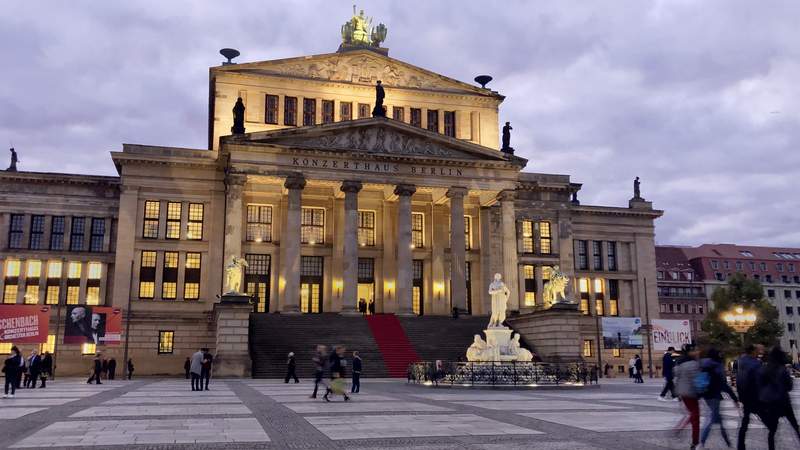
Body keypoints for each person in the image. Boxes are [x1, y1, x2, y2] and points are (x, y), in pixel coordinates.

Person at [758, 346, 800, 450]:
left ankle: (771, 448)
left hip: (771, 403)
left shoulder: (764, 368)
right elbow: (789, 386)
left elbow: (760, 384)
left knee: (772, 430)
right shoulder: (782, 369)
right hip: (783, 401)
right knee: (794, 425)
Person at [699, 347, 739, 448]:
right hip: (715, 396)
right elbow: (723, 384)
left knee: (718, 419)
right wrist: (734, 398)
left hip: (706, 395)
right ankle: (701, 443)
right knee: (712, 420)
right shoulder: (717, 366)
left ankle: (728, 443)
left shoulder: (704, 364)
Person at [736, 344, 764, 450]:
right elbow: (760, 381)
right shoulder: (755, 363)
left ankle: (740, 445)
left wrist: (740, 396)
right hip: (755, 396)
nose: (758, 352)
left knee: (745, 421)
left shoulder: (741, 361)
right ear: (752, 352)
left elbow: (739, 380)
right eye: (757, 350)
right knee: (768, 420)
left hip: (745, 396)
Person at [674, 345, 701, 449]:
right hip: (691, 393)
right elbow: (697, 380)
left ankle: (680, 428)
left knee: (693, 414)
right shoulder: (693, 364)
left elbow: (677, 377)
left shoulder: (679, 362)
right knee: (695, 418)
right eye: (695, 350)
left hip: (683, 393)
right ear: (690, 352)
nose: (697, 352)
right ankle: (695, 442)